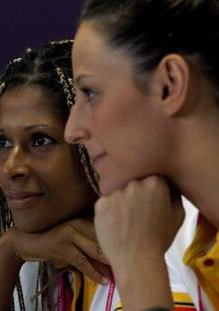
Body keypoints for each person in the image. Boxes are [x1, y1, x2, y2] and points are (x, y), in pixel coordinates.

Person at [0, 40, 196, 311]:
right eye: (3, 143)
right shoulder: (37, 251)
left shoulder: (162, 256)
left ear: (91, 141)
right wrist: (9, 251)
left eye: (40, 141)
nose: (11, 167)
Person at [65, 0, 219, 310]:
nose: (72, 130)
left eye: (90, 93)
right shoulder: (205, 239)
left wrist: (140, 269)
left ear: (170, 84)